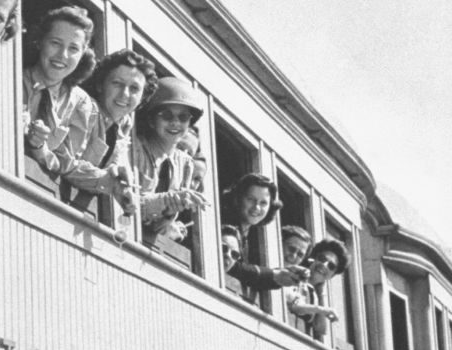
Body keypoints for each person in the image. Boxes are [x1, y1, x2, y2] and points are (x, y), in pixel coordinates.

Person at [53, 48, 159, 217]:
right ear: (100, 85)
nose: (124, 94)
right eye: (117, 83)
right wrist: (105, 181)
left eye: (134, 89)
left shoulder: (124, 125)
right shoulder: (85, 108)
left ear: (142, 98)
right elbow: (63, 161)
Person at [130, 77, 210, 243]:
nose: (175, 123)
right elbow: (123, 202)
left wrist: (168, 215)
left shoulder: (185, 164)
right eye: (166, 115)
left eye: (183, 117)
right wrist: (166, 201)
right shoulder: (134, 148)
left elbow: (160, 225)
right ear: (151, 120)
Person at [21, 6, 97, 175]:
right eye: (55, 43)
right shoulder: (15, 79)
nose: (63, 55)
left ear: (83, 52)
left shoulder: (79, 101)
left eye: (73, 49)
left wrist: (39, 147)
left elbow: (66, 163)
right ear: (40, 41)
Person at [221, 172, 307, 304]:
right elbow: (231, 266)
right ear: (238, 198)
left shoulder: (248, 233)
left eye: (263, 203)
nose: (256, 207)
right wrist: (275, 275)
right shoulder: (226, 224)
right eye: (250, 199)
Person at [287, 238, 350, 340]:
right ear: (313, 259)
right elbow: (294, 306)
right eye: (321, 259)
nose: (324, 265)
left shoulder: (314, 294)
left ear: (332, 276)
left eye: (331, 266)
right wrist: (322, 310)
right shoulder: (295, 275)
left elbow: (321, 329)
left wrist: (321, 295)